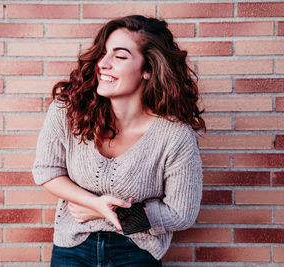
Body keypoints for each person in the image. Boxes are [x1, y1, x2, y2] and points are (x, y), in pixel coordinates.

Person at [32, 15, 205, 267]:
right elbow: (46, 172)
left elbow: (182, 213)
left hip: (136, 252)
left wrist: (107, 214)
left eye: (120, 56)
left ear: (148, 70)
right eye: (103, 53)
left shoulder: (175, 136)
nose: (103, 63)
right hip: (72, 249)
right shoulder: (67, 112)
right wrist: (94, 203)